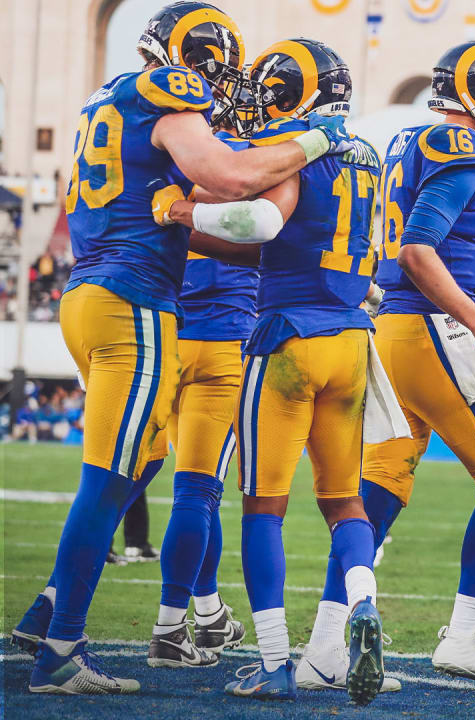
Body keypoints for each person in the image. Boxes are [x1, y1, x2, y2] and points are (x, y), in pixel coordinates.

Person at [15, 1, 349, 696]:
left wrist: (204, 221)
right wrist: (316, 142)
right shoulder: (171, 91)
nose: (222, 85)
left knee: (130, 465)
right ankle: (62, 646)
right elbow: (230, 178)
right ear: (198, 58)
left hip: (95, 294)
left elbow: (188, 221)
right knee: (110, 479)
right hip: (132, 301)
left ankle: (50, 614)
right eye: (219, 68)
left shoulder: (110, 99)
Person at [165, 39, 388, 703]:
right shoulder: (367, 152)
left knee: (262, 509)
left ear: (292, 89)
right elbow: (281, 248)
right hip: (352, 338)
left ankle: (270, 666)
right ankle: (365, 606)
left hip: (288, 340)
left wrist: (180, 212)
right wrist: (187, 235)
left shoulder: (296, 144)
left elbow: (259, 223)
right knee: (344, 502)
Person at [357, 40, 475, 690]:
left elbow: (424, 252)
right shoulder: (461, 147)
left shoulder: (410, 136)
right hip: (430, 333)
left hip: (392, 330)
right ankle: (463, 634)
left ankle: (329, 637)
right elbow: (416, 250)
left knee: (380, 488)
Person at [144, 110, 255, 672]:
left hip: (165, 338)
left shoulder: (167, 163)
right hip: (224, 343)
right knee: (198, 492)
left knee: (127, 482)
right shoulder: (250, 164)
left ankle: (209, 616)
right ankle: (169, 630)